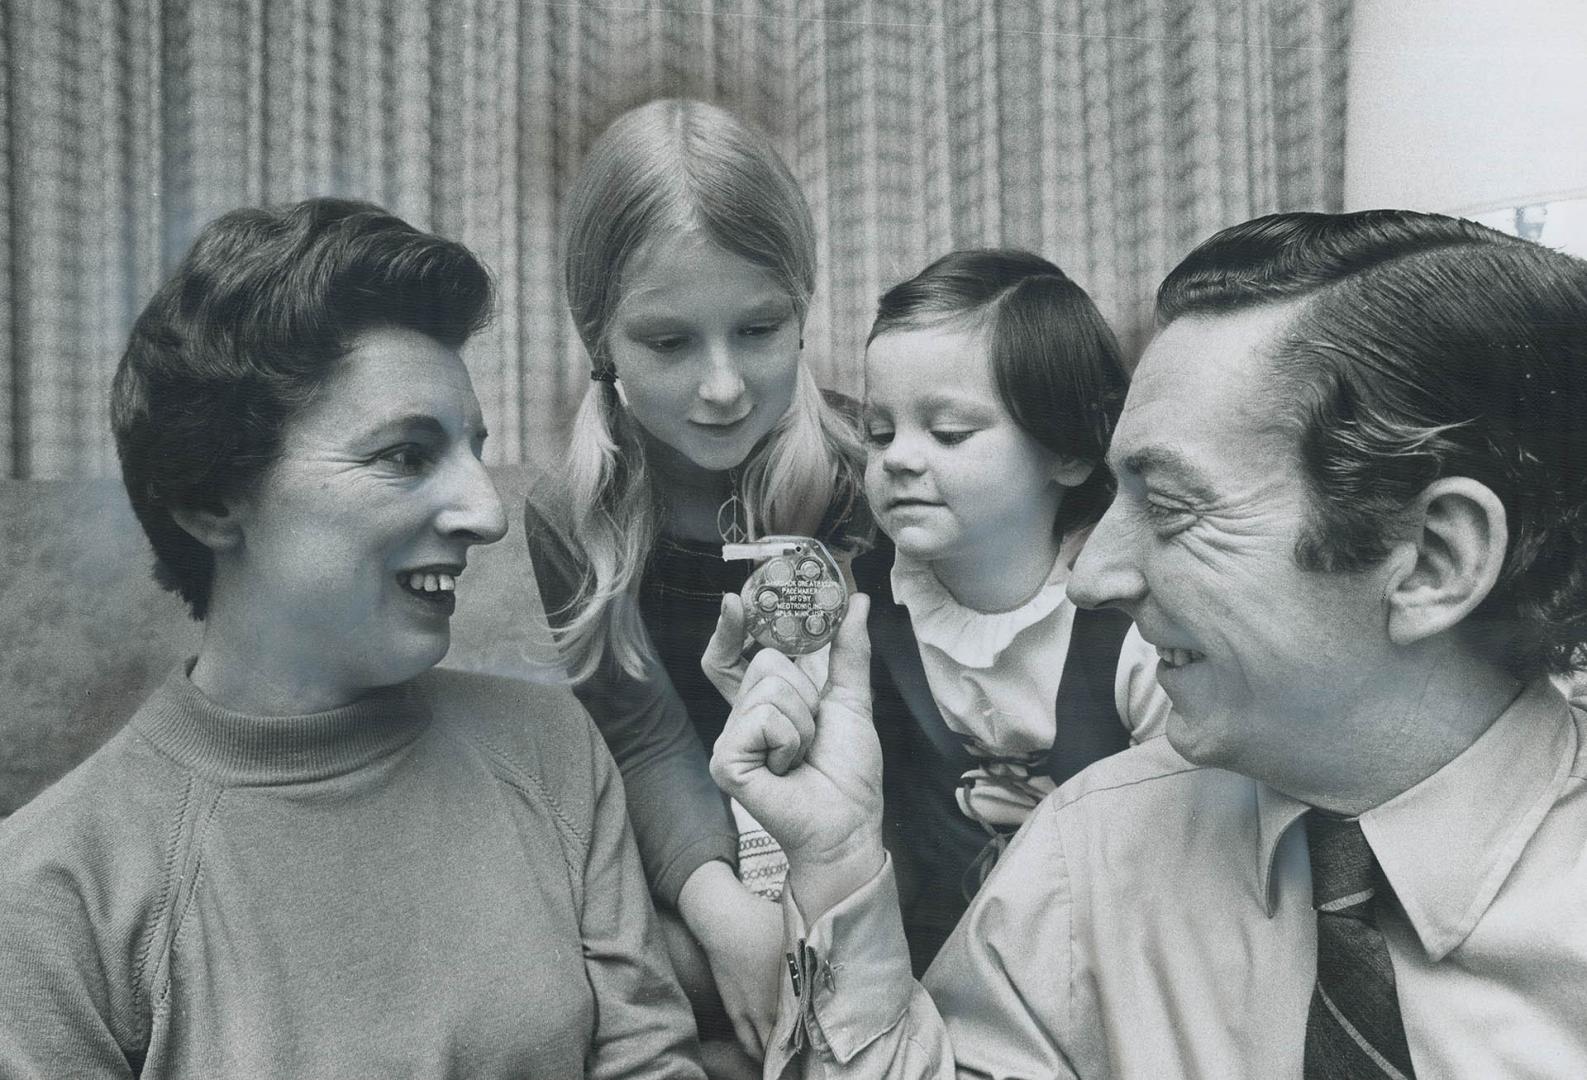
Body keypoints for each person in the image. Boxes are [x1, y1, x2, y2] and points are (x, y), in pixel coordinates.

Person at [711, 210, 1587, 1077]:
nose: (1091, 579)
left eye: (1170, 507)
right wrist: (833, 865)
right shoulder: (1085, 856)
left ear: (1432, 560)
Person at [0, 198, 703, 1078]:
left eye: (473, 451)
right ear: (213, 499)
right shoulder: (47, 894)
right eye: (405, 455)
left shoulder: (551, 750)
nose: (487, 513)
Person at [705, 249, 1169, 969]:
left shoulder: (1140, 628)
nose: (898, 460)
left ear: (1070, 454)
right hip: (924, 964)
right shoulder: (856, 609)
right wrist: (784, 725)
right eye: (881, 433)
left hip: (1112, 961)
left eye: (948, 432)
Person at [522, 98, 866, 1065]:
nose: (722, 387)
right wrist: (722, 909)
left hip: (863, 841)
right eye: (668, 344)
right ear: (600, 341)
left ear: (802, 309)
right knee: (594, 982)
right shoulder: (569, 517)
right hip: (692, 851)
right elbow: (640, 735)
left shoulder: (866, 470)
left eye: (758, 329)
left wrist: (814, 897)